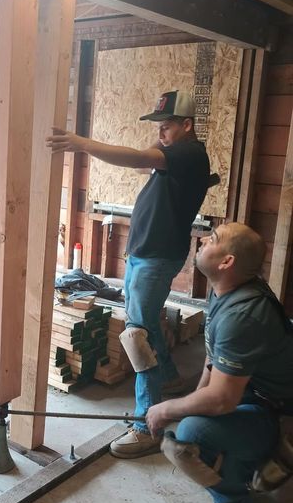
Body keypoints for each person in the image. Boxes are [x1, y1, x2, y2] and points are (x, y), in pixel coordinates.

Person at [47, 90, 210, 457]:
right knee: (147, 323)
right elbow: (143, 164)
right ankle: (167, 379)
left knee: (137, 334)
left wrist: (81, 143)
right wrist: (161, 131)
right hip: (146, 254)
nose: (161, 134)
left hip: (156, 257)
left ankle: (146, 426)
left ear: (187, 126)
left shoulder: (189, 153)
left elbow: (136, 159)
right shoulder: (175, 154)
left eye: (166, 127)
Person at [146, 222, 293, 503]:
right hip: (257, 392)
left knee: (192, 438)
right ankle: (249, 466)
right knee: (194, 419)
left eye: (211, 239)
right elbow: (213, 359)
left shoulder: (243, 315)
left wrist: (167, 410)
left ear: (226, 261)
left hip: (280, 411)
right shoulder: (223, 289)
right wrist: (189, 404)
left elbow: (223, 400)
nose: (201, 240)